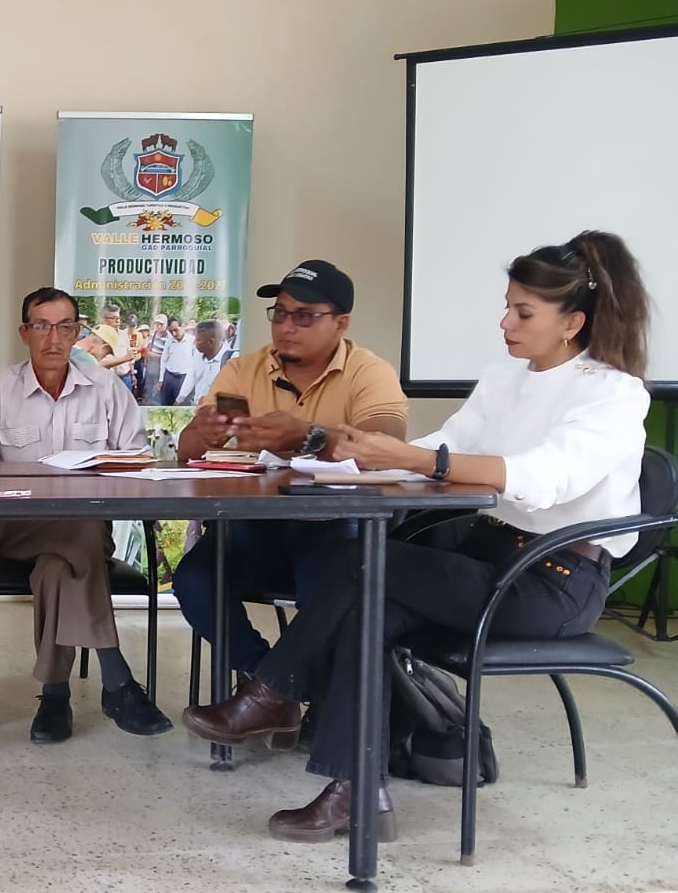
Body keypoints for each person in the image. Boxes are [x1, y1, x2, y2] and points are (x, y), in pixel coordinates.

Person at [183, 231, 650, 842]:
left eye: (523, 312)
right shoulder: (504, 379)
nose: (505, 323)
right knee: (365, 603)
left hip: (550, 582)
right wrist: (342, 450)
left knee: (362, 564)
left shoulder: (612, 392)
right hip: (485, 560)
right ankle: (357, 793)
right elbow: (436, 448)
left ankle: (274, 691)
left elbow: (542, 478)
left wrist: (413, 458)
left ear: (572, 323)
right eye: (507, 307)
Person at [0, 286, 173, 743]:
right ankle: (117, 680)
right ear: (24, 332)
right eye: (42, 326)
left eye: (65, 327)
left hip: (88, 527)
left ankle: (55, 696)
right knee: (77, 538)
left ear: (76, 332)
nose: (54, 338)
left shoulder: (105, 389)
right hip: (19, 527)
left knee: (56, 567)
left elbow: (138, 462)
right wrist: (6, 477)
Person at [172, 261, 408, 675]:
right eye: (280, 313)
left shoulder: (369, 372)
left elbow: (385, 447)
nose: (286, 327)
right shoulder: (243, 371)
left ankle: (288, 691)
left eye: (304, 316)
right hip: (252, 524)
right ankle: (267, 680)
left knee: (333, 591)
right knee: (194, 581)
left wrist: (307, 436)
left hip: (333, 524)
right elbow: (187, 451)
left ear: (341, 323)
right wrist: (204, 432)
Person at [180, 319, 224, 407]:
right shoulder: (198, 356)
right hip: (196, 406)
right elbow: (190, 377)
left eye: (198, 340)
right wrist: (179, 399)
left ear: (210, 342)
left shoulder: (230, 361)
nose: (194, 342)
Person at [157, 316, 197, 405]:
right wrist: (161, 379)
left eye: (176, 330)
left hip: (184, 379)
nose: (174, 334)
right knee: (165, 405)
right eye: (171, 331)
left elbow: (195, 364)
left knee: (181, 406)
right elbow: (164, 360)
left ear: (182, 326)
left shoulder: (192, 341)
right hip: (169, 377)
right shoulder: (169, 341)